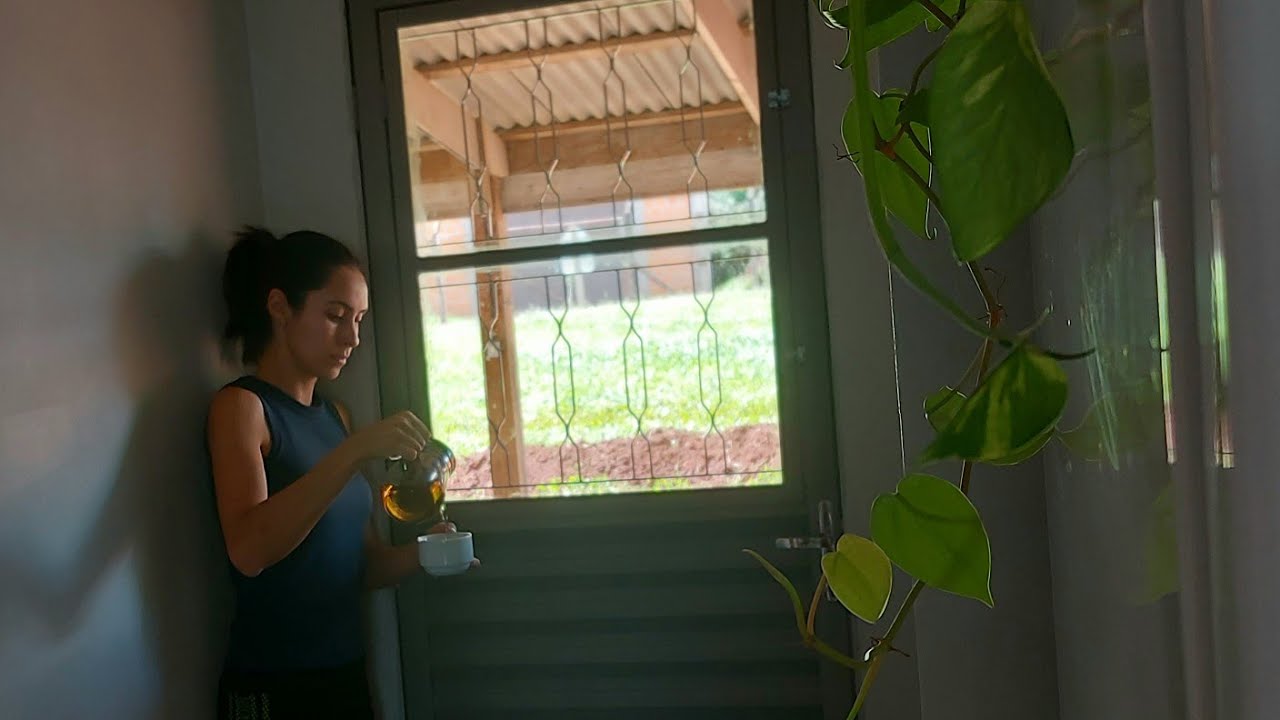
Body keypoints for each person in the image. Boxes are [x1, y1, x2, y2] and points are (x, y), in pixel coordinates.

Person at [207, 227, 450, 719]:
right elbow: (249, 550)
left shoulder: (333, 417)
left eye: (358, 319)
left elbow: (358, 566)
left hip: (342, 675)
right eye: (336, 316)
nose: (353, 337)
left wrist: (427, 553)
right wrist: (352, 452)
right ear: (280, 307)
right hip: (271, 686)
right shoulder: (243, 407)